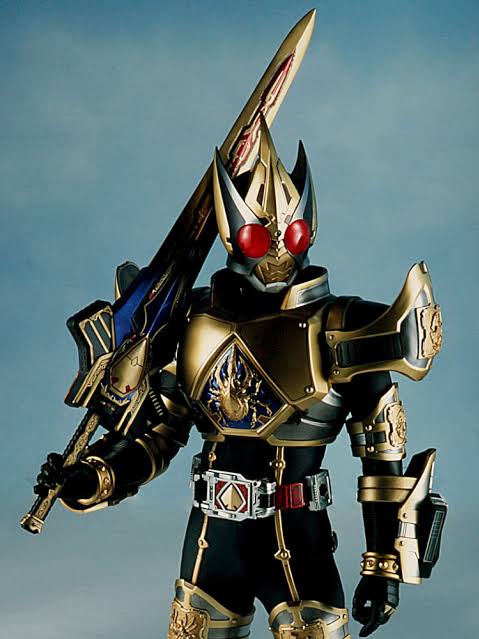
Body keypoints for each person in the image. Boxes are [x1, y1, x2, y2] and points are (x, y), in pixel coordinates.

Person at [35, 119, 444, 639]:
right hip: (211, 543)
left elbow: (384, 458)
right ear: (233, 235)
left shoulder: (344, 326)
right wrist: (95, 476)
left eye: (292, 234)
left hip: (300, 541)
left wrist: (384, 566)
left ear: (308, 229)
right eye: (258, 236)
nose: (277, 251)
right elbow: (159, 434)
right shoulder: (189, 321)